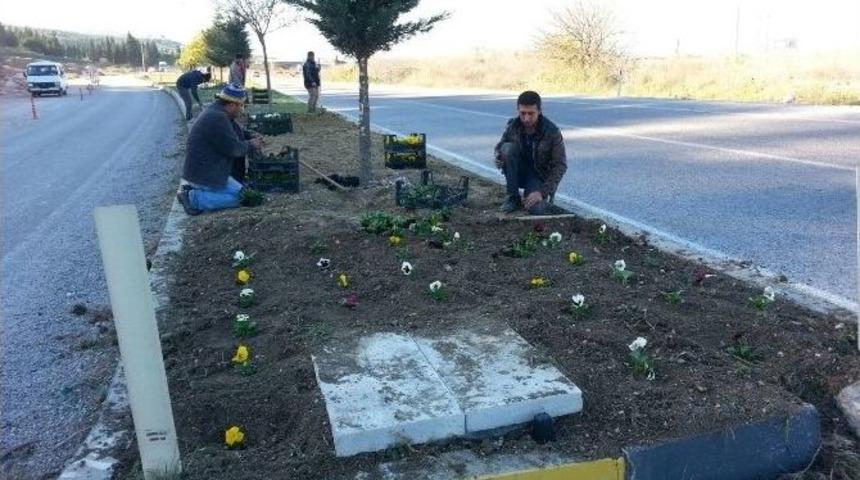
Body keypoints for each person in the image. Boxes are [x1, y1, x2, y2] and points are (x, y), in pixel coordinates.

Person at [177, 84, 264, 215]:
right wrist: (251, 144)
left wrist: (250, 136)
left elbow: (234, 132)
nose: (241, 110)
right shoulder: (218, 118)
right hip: (204, 174)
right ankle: (193, 198)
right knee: (246, 199)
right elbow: (234, 149)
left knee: (244, 193)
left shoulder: (217, 112)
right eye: (240, 106)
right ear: (231, 105)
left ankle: (194, 191)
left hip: (204, 170)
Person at [494, 91, 567, 215]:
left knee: (536, 209)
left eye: (531, 113)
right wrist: (499, 157)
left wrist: (542, 192)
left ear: (539, 111)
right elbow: (500, 147)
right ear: (518, 110)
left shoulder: (551, 132)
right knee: (507, 148)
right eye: (522, 113)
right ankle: (513, 198)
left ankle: (544, 198)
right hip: (518, 173)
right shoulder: (513, 126)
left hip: (539, 176)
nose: (526, 118)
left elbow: (560, 165)